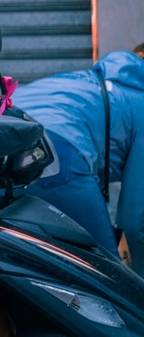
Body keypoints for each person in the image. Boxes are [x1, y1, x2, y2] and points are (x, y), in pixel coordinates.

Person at [11, 44, 144, 277]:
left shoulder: (87, 81)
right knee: (108, 275)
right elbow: (134, 222)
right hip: (55, 149)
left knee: (22, 262)